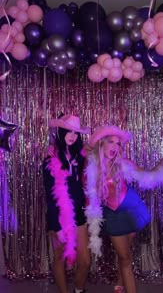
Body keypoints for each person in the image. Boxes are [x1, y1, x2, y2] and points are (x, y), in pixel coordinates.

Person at [84, 125, 163, 293]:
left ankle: (119, 286)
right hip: (113, 215)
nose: (115, 147)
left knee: (125, 255)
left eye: (118, 144)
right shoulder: (91, 165)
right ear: (101, 144)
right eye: (111, 142)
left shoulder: (124, 164)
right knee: (125, 258)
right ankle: (122, 286)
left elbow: (147, 176)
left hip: (132, 209)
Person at [43, 114, 91, 293]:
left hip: (79, 212)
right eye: (68, 131)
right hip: (59, 215)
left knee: (85, 260)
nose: (72, 135)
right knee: (59, 258)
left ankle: (78, 290)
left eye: (76, 132)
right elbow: (50, 196)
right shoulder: (50, 159)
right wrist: (57, 226)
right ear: (61, 132)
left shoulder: (81, 155)